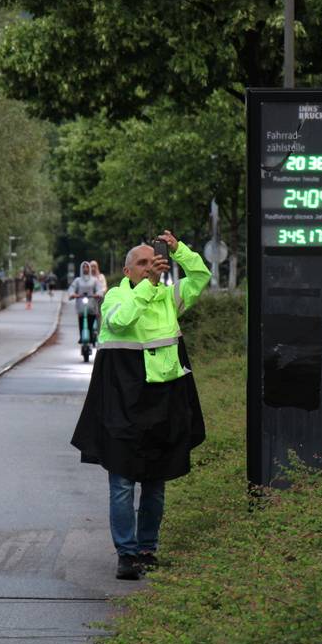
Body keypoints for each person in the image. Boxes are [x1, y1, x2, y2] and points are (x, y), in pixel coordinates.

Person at [70, 231, 211, 580]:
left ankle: (148, 549)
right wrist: (149, 286)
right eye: (143, 263)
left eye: (154, 261)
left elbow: (201, 277)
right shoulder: (115, 295)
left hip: (161, 401)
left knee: (155, 483)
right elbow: (120, 321)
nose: (151, 267)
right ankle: (127, 553)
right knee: (122, 482)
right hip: (121, 399)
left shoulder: (169, 297)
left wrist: (180, 251)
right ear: (127, 270)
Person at [68, 261, 104, 342]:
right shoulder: (77, 280)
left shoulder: (94, 280)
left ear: (89, 268)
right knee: (81, 320)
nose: (85, 269)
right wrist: (72, 294)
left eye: (87, 267)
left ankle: (92, 336)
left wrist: (98, 294)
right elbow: (72, 288)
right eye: (84, 267)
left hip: (91, 304)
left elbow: (99, 289)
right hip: (81, 305)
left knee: (91, 320)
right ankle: (81, 336)